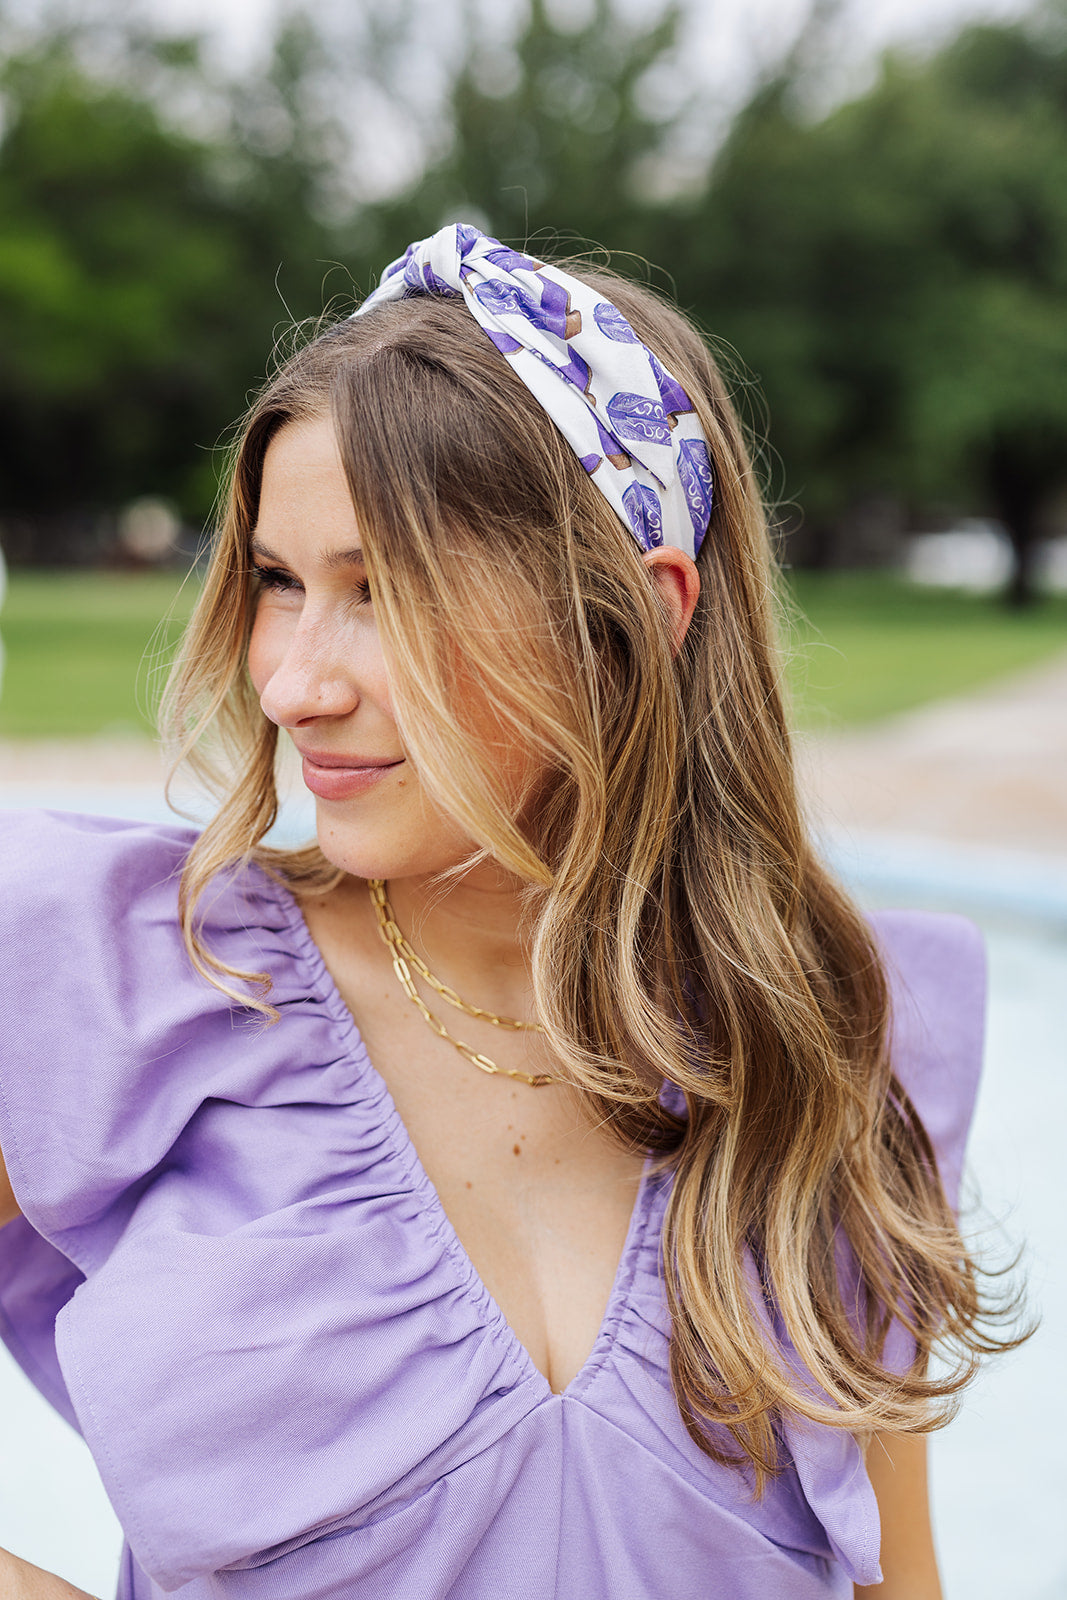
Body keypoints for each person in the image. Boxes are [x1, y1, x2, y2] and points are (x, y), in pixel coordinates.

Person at [0, 226, 1018, 1600]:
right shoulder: (117, 979)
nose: (294, 685)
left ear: (632, 618)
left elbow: (902, 1580)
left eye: (384, 591)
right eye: (280, 583)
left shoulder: (827, 1039)